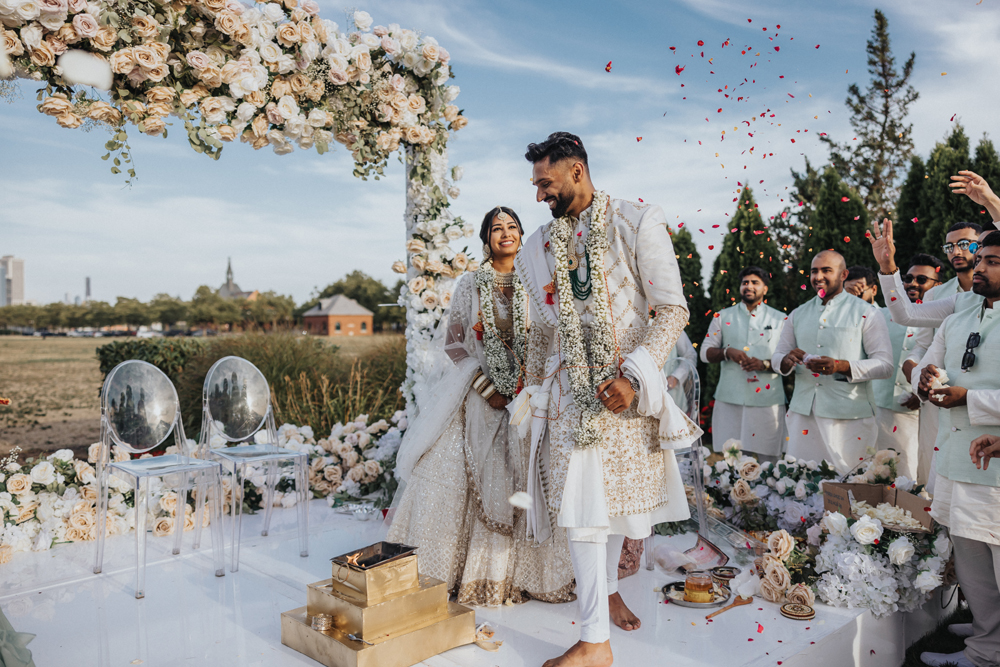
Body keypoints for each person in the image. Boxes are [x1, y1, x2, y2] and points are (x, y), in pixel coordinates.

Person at [516, 132, 700, 667]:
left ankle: (598, 628)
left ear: (576, 171)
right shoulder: (538, 246)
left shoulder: (637, 222)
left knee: (611, 509)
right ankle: (596, 637)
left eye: (545, 183)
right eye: (534, 186)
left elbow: (672, 310)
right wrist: (532, 395)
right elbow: (542, 333)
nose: (538, 196)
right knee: (584, 513)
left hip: (626, 396)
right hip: (569, 398)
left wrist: (637, 377)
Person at [388, 206, 575, 607]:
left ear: (521, 235)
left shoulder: (540, 282)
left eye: (511, 227)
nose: (504, 233)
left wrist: (534, 386)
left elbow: (555, 335)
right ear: (486, 239)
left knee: (532, 480)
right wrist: (486, 386)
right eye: (496, 228)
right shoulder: (471, 284)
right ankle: (464, 574)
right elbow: (455, 343)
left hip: (531, 401)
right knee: (452, 474)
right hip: (480, 396)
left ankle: (526, 573)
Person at [915, 230, 1000, 667]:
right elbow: (926, 364)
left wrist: (971, 398)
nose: (980, 267)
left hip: (995, 461)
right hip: (955, 455)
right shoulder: (956, 318)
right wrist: (925, 380)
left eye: (993, 261)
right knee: (970, 556)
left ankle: (989, 649)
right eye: (980, 258)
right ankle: (989, 633)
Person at [771, 250, 893, 473]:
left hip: (850, 416)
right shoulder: (798, 314)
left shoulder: (866, 313)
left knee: (848, 484)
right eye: (814, 271)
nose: (818, 277)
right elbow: (777, 357)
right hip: (803, 414)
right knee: (801, 481)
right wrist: (787, 360)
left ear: (843, 274)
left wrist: (841, 366)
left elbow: (885, 365)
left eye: (826, 270)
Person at [867, 256, 946, 478]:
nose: (912, 284)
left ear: (937, 285)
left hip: (922, 412)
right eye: (908, 278)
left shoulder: (945, 319)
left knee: (913, 472)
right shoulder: (882, 315)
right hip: (881, 405)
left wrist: (921, 393)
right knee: (878, 469)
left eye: (922, 279)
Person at [700, 266, 787, 461]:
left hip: (768, 399)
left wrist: (764, 364)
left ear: (765, 289)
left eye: (755, 282)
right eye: (745, 282)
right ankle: (734, 492)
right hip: (730, 398)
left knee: (769, 458)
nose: (749, 286)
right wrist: (727, 352)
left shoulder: (780, 319)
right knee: (731, 458)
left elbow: (790, 360)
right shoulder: (722, 316)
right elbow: (704, 353)